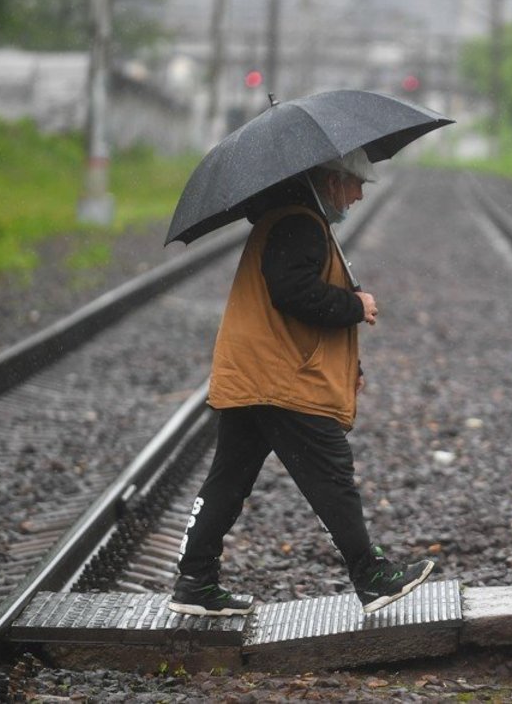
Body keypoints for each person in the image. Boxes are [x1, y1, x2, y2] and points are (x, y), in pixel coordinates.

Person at [169, 148, 434, 616]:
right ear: (331, 180)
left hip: (257, 372)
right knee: (332, 476)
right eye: (354, 184)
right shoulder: (300, 222)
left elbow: (294, 296)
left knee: (229, 479)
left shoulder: (293, 219)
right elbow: (292, 292)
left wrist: (351, 365)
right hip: (281, 378)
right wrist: (355, 306)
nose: (357, 195)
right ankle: (371, 577)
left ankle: (195, 581)